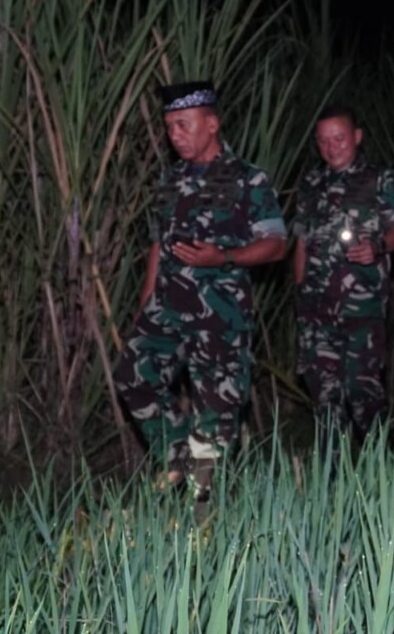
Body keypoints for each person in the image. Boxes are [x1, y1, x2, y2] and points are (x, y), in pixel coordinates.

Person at [113, 81, 288, 505]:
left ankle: (202, 512)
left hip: (219, 315)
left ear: (212, 124)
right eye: (170, 126)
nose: (175, 135)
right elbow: (159, 243)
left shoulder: (247, 178)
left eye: (184, 124)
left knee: (216, 410)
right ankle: (177, 454)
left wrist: (223, 256)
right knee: (133, 375)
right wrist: (146, 301)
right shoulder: (170, 180)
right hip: (168, 306)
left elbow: (277, 244)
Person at [292, 104, 394, 451]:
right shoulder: (311, 184)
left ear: (357, 137)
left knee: (362, 394)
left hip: (362, 310)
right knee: (325, 400)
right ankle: (332, 476)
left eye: (339, 138)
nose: (331, 147)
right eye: (323, 141)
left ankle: (390, 467)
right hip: (316, 312)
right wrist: (299, 295)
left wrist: (378, 246)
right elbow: (301, 241)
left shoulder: (379, 179)